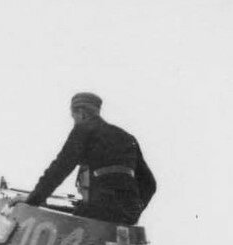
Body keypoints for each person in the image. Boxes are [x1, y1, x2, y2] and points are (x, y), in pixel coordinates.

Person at [24, 92, 156, 225]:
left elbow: (60, 168)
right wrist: (133, 211)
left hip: (98, 210)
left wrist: (31, 201)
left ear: (81, 113)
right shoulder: (127, 138)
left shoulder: (84, 129)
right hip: (127, 215)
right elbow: (150, 183)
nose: (74, 122)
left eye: (74, 117)